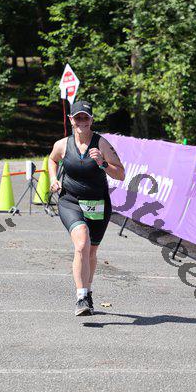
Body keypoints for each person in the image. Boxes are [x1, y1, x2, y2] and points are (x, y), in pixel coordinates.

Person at [48, 100, 125, 316]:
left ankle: (88, 293)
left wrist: (103, 163)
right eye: (78, 117)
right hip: (70, 200)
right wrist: (54, 179)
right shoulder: (63, 144)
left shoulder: (102, 144)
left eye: (86, 117)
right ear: (70, 120)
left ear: (91, 120)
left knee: (91, 251)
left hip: (98, 203)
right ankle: (81, 296)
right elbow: (52, 160)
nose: (82, 121)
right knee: (82, 243)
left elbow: (121, 174)